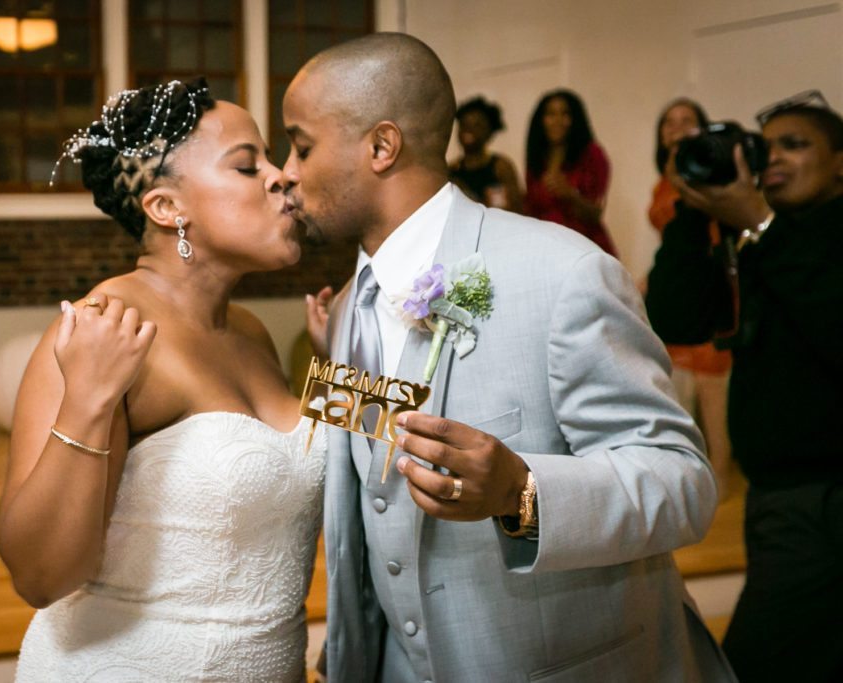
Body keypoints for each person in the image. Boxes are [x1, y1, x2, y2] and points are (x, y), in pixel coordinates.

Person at [284, 33, 733, 681]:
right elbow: (371, 491)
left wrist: (521, 491)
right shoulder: (352, 304)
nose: (287, 171)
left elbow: (683, 481)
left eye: (301, 146)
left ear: (381, 147)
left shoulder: (564, 270)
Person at [0, 78, 327, 681]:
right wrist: (88, 403)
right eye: (249, 166)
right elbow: (39, 577)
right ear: (167, 208)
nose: (282, 177)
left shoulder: (250, 332)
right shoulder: (101, 329)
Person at [646, 91, 843, 682]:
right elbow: (676, 317)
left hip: (824, 491)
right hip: (781, 493)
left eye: (796, 144)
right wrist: (694, 211)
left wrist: (760, 223)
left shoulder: (794, 236)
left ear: (840, 161)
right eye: (766, 147)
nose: (774, 158)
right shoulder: (759, 239)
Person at [647, 97, 734, 498]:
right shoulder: (663, 177)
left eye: (687, 120)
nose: (677, 127)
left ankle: (719, 482)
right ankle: (687, 481)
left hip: (703, 284)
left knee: (711, 387)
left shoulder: (710, 173)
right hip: (671, 284)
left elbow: (715, 232)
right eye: (669, 122)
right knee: (676, 395)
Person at [524, 88, 618, 256]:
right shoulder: (537, 159)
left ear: (575, 119)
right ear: (541, 120)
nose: (557, 120)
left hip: (585, 248)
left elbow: (596, 213)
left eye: (565, 114)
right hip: (548, 250)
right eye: (550, 114)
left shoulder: (592, 154)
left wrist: (571, 195)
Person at [449, 95, 523, 212]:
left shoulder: (501, 167)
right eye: (464, 124)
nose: (468, 129)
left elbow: (517, 209)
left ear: (490, 132)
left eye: (477, 125)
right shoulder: (452, 170)